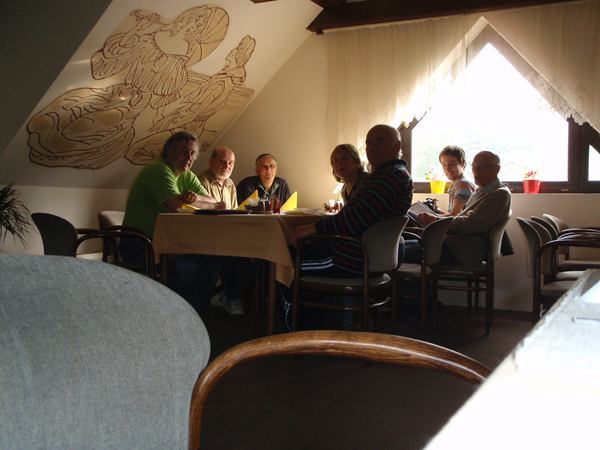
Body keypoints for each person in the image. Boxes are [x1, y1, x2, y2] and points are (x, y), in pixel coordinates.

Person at [121, 131, 225, 311]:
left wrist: (195, 199)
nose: (188, 157)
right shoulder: (158, 170)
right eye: (183, 152)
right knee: (187, 266)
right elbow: (176, 206)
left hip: (169, 242)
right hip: (140, 243)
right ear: (168, 151)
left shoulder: (187, 175)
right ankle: (176, 311)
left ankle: (190, 311)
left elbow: (214, 201)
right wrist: (202, 203)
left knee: (212, 259)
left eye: (192, 153)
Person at [293, 124, 413, 277]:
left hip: (356, 258)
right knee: (289, 255)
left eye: (380, 142)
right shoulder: (389, 174)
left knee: (285, 265)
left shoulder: (389, 177)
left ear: (397, 146)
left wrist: (309, 229)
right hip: (364, 253)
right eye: (369, 143)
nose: (372, 148)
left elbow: (353, 220)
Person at [416, 150, 511, 266]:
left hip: (462, 251)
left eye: (481, 167)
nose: (476, 170)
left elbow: (469, 224)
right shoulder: (481, 190)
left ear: (497, 169)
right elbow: (461, 217)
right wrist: (436, 217)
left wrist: (435, 220)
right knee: (404, 245)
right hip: (455, 244)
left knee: (401, 250)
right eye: (474, 166)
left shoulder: (499, 194)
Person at [437, 145, 476, 216]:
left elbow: (455, 217)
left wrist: (433, 217)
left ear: (462, 163)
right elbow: (454, 215)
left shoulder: (463, 185)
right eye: (444, 164)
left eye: (452, 164)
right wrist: (437, 210)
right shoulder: (455, 185)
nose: (447, 168)